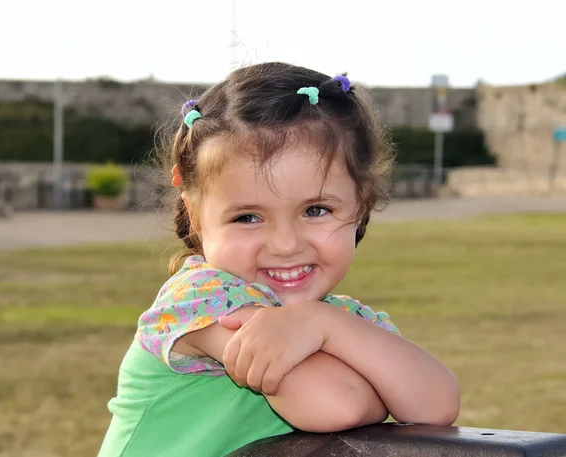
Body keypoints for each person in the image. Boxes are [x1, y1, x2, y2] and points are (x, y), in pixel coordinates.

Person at [98, 62, 460, 457]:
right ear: (195, 215)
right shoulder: (204, 302)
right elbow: (336, 404)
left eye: (316, 210)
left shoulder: (339, 320)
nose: (285, 244)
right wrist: (338, 341)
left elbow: (436, 407)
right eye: (247, 217)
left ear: (362, 204)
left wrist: (326, 323)